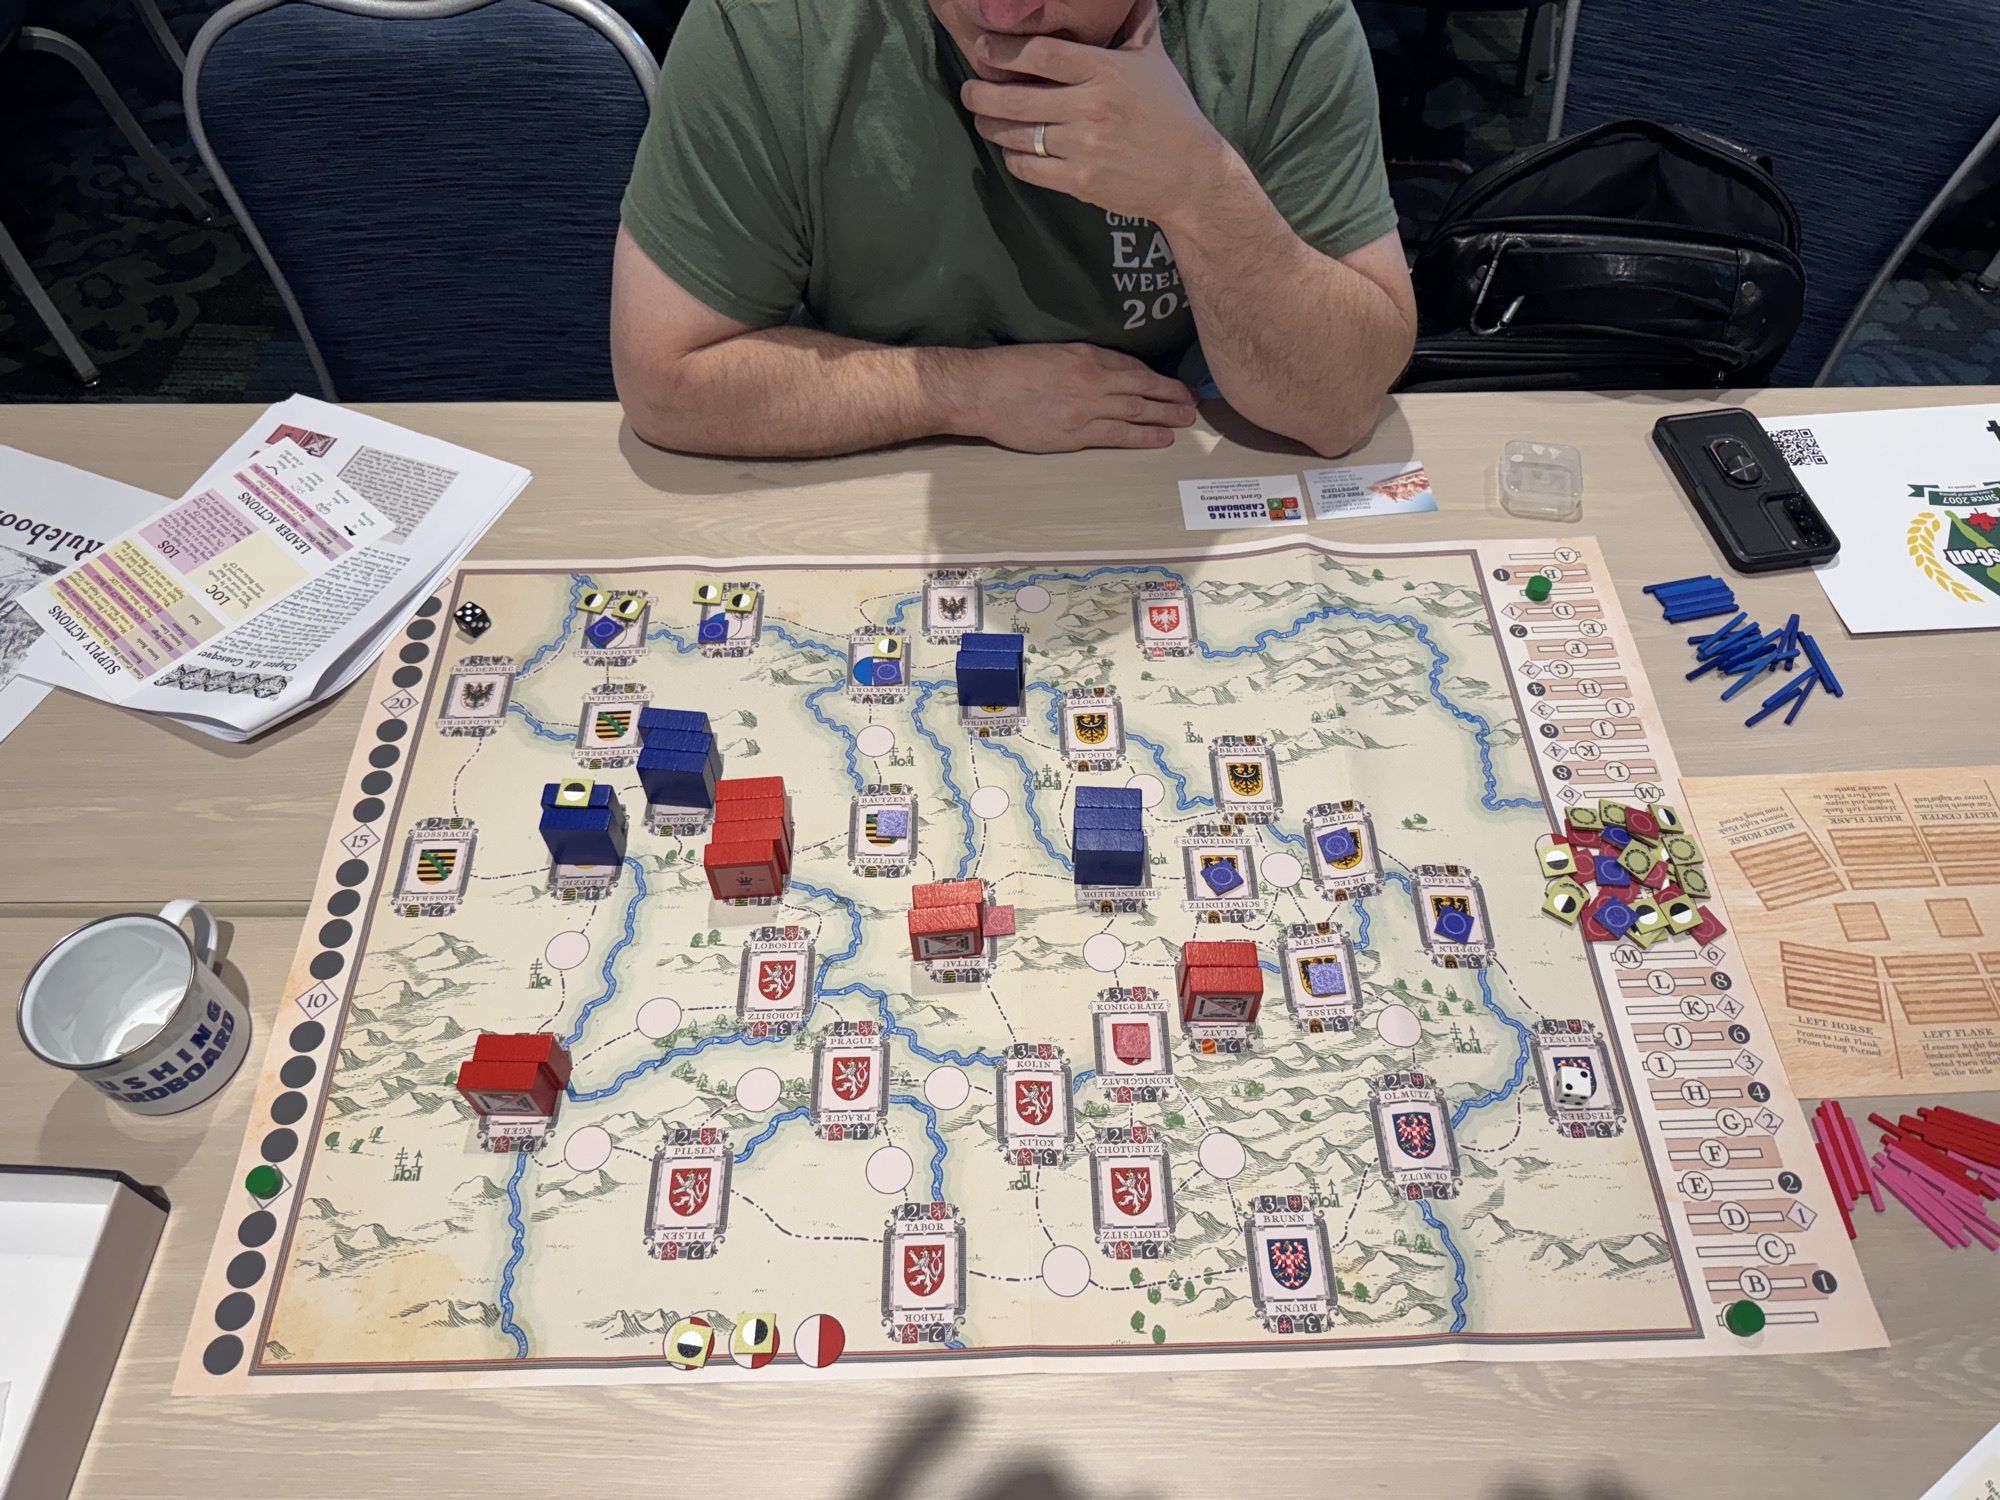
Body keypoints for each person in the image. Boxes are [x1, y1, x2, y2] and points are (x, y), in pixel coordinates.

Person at [611, 0, 1415, 459]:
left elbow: (1336, 406)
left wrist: (1200, 190)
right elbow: (665, 380)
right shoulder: (768, 23)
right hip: (873, 477)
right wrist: (966, 392)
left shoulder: (1279, 24)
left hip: (1176, 460)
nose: (1000, 14)